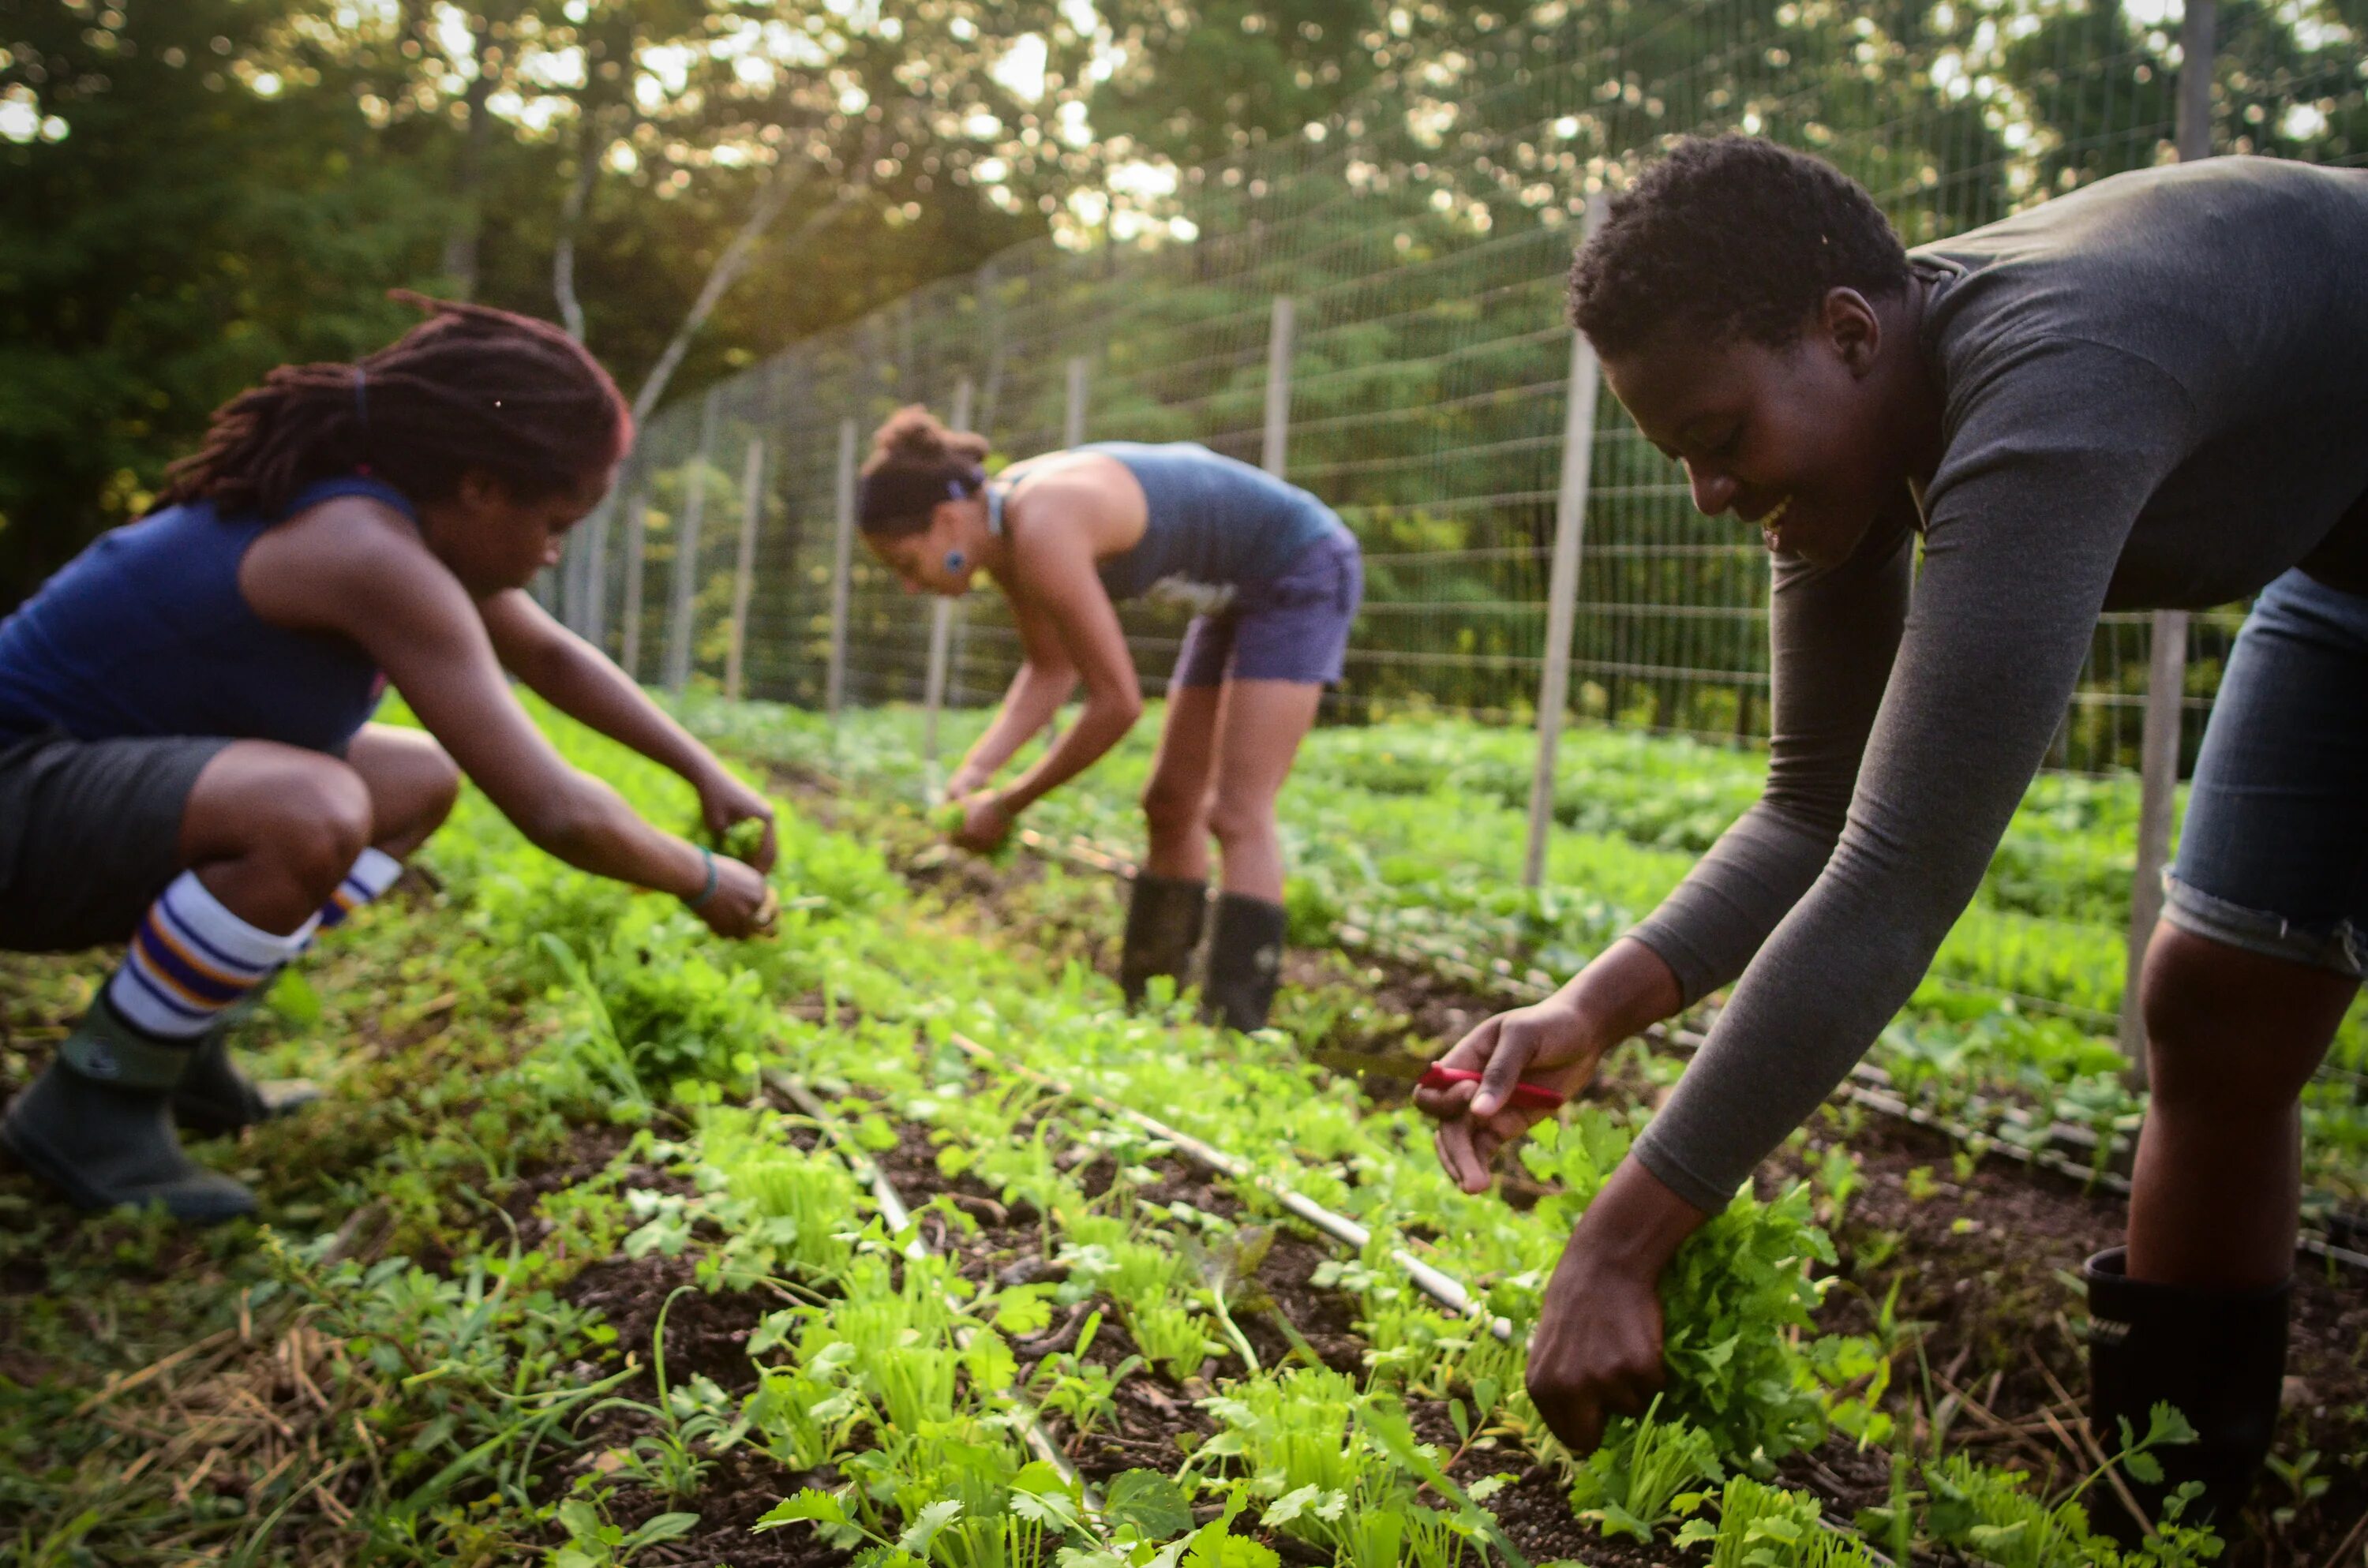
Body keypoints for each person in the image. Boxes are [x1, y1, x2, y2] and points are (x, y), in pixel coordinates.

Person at [1415, 137, 2368, 1536]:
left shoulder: (2053, 376)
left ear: (1848, 335)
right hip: (2346, 573)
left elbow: (1899, 872)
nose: (1712, 496)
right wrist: (1589, 1008)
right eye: (1681, 457)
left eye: (1723, 441)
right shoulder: (1853, 436)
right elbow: (1812, 810)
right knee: (2219, 1004)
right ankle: (2166, 1531)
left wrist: (1620, 1241)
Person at [0, 294, 780, 1225]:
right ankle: (93, 1102)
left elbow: (551, 657)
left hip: (63, 789)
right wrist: (699, 878)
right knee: (310, 807)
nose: (550, 551)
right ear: (481, 486)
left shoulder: (397, 518)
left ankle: (174, 1036)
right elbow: (554, 807)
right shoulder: (361, 548)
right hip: (18, 795)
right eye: (555, 519)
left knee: (409, 783)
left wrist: (706, 771)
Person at [856, 408, 1362, 1031]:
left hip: (1298, 564)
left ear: (946, 518)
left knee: (1237, 810)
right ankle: (1148, 1011)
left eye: (908, 565)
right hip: (1232, 590)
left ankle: (1235, 1030)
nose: (912, 588)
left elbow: (1117, 703)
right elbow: (1050, 669)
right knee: (1169, 804)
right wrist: (978, 770)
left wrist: (1008, 803)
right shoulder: (1003, 534)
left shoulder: (1041, 528)